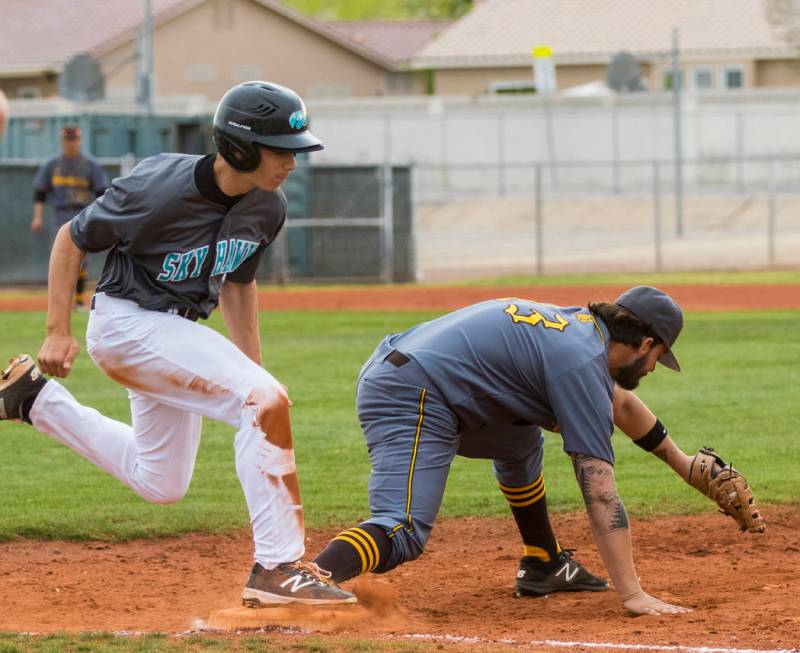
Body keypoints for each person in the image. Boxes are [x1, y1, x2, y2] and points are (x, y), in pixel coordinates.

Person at [0, 81, 355, 607]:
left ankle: (33, 399)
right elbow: (71, 238)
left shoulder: (267, 206)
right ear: (240, 147)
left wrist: (251, 365)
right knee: (264, 400)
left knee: (161, 481)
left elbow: (238, 283)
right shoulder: (159, 188)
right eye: (282, 151)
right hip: (127, 324)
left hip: (174, 331)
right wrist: (57, 329)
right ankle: (278, 568)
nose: (292, 164)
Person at [311, 286, 756, 615]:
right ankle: (309, 577)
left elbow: (618, 402)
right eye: (659, 355)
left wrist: (682, 464)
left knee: (521, 437)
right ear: (643, 343)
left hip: (421, 376)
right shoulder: (581, 360)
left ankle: (544, 562)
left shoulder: (583, 334)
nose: (656, 367)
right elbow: (599, 489)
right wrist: (632, 594)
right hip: (412, 393)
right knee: (403, 528)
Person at [32, 124, 109, 311]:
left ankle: (79, 300)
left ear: (80, 141)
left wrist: (103, 217)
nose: (71, 144)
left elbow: (102, 193)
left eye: (74, 140)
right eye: (68, 140)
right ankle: (59, 302)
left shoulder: (90, 164)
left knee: (82, 259)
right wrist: (37, 217)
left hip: (83, 214)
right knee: (59, 258)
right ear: (62, 141)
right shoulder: (53, 164)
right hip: (60, 215)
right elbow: (40, 192)